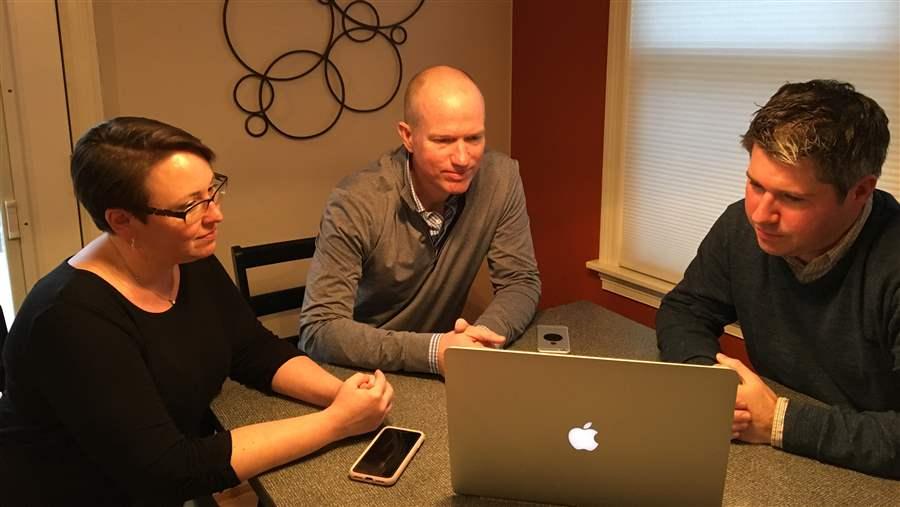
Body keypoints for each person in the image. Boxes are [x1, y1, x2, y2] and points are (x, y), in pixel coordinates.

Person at [0, 117, 394, 505]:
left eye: (212, 191)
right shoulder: (69, 318)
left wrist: (340, 393)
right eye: (190, 206)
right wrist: (335, 423)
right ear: (121, 220)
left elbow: (253, 350)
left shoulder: (187, 258)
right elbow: (169, 471)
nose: (215, 214)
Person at [656, 80, 898, 478]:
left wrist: (779, 421)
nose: (760, 214)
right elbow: (685, 308)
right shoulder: (742, 226)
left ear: (860, 191)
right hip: (778, 464)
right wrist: (711, 382)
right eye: (755, 184)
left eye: (792, 198)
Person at [299, 65, 541, 375]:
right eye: (443, 141)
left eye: (474, 138)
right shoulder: (355, 201)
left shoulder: (501, 178)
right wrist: (432, 351)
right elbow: (319, 330)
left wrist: (479, 343)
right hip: (359, 373)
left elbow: (520, 281)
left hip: (444, 369)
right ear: (408, 136)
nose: (463, 158)